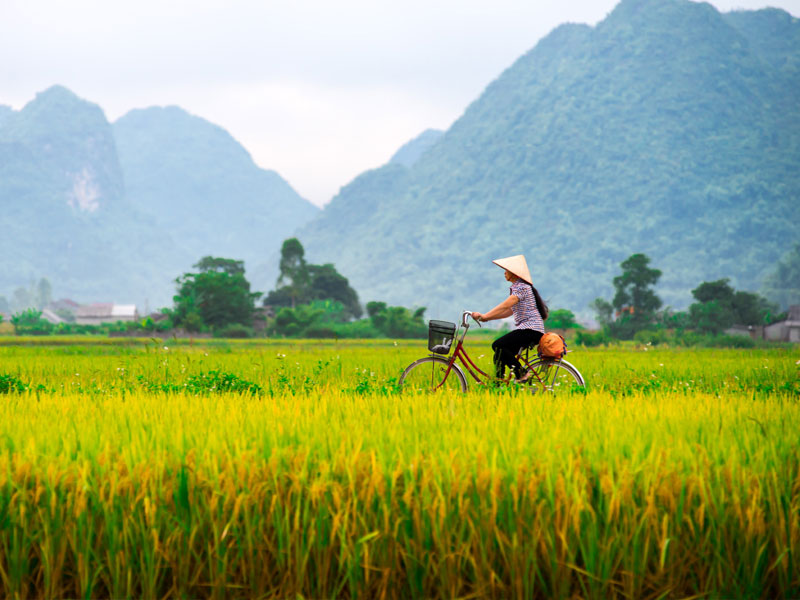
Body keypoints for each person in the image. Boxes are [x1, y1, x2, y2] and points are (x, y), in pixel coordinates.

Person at [471, 254, 548, 382]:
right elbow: (508, 311)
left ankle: (522, 374)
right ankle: (498, 385)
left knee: (498, 345)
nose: (504, 273)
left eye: (506, 270)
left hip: (530, 330)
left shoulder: (522, 287)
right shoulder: (519, 287)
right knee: (499, 354)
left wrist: (485, 315)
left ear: (515, 274)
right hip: (529, 330)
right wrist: (487, 318)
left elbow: (506, 305)